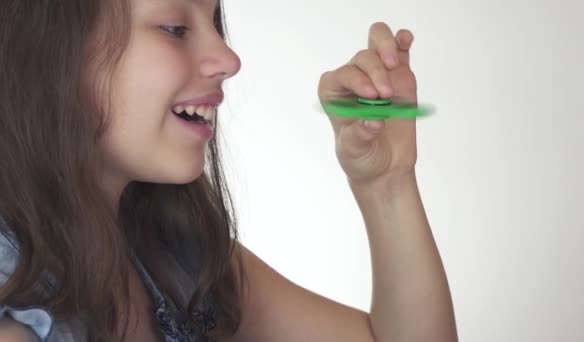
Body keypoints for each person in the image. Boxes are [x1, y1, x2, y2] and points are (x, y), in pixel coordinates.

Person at [0, 0, 458, 341]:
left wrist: (386, 184)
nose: (229, 59)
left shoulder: (178, 255)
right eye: (175, 28)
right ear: (49, 51)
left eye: (214, 22)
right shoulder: (14, 306)